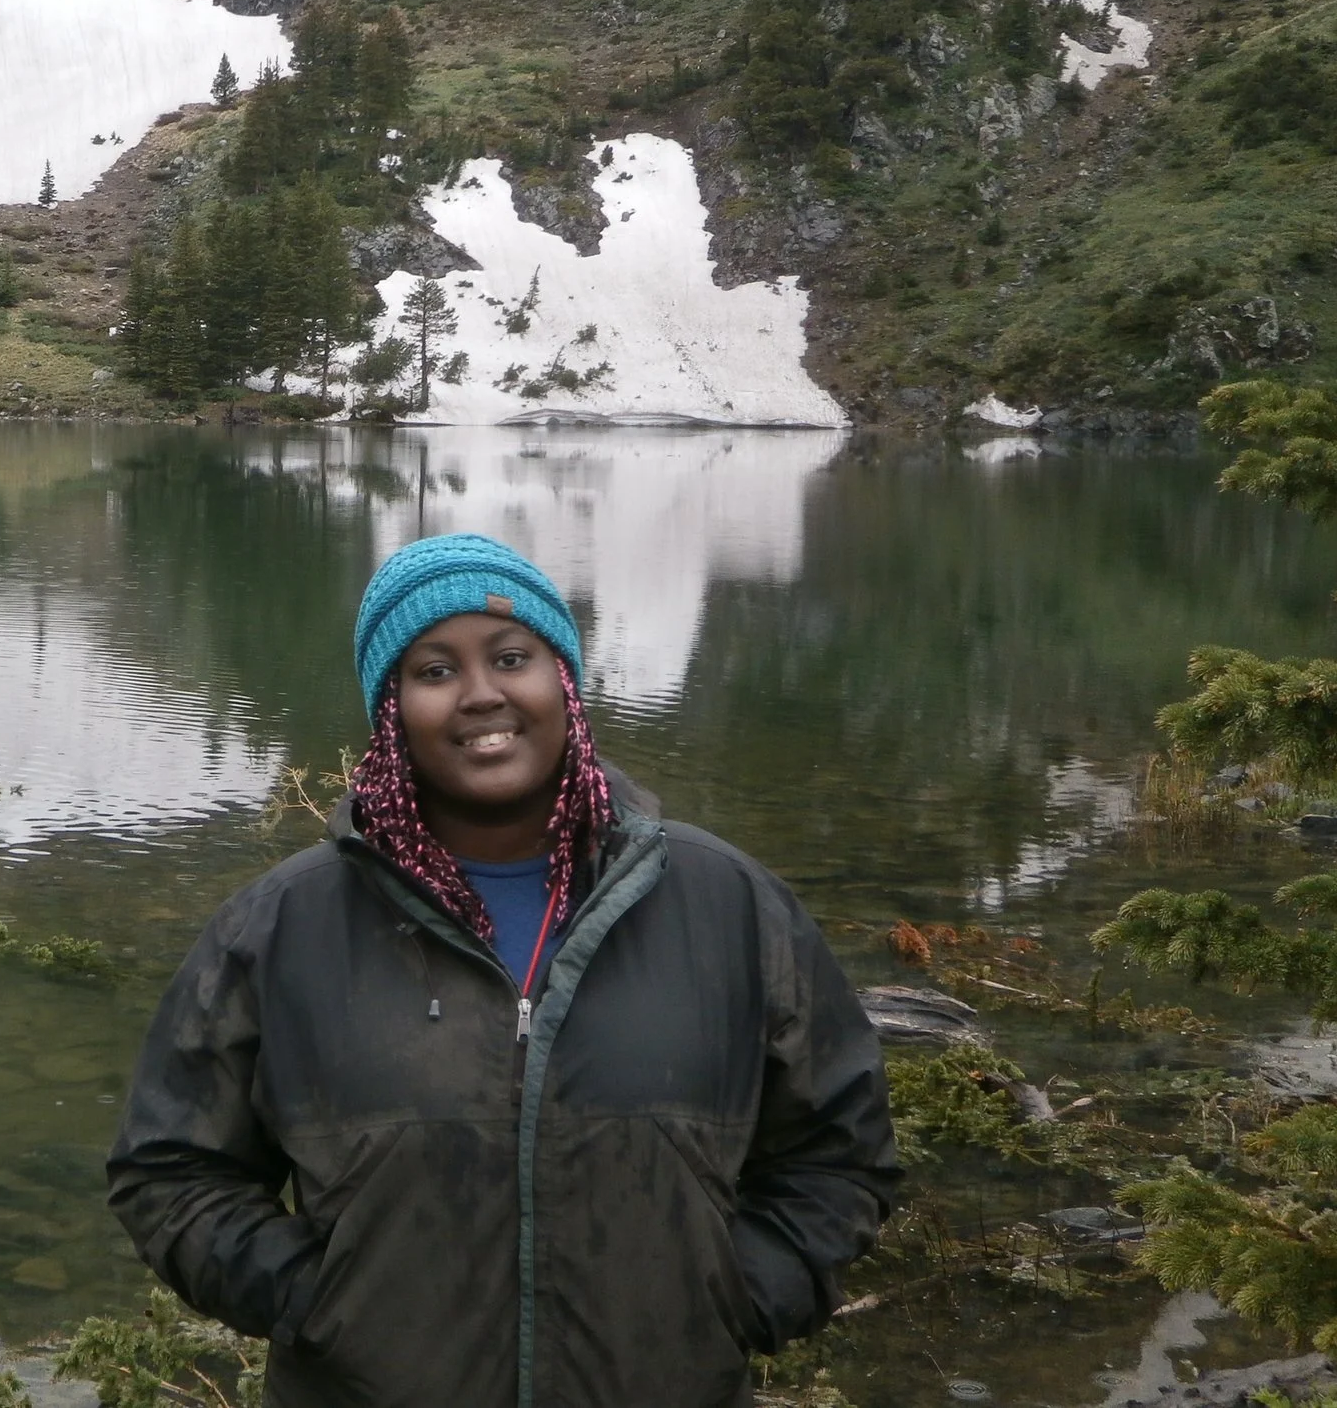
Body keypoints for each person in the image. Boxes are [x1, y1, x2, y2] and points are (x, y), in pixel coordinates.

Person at [107, 533, 897, 1406]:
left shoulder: (730, 904)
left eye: (512, 657)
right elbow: (171, 1171)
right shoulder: (281, 926)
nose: (482, 694)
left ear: (563, 679)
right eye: (434, 669)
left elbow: (840, 1152)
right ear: (391, 707)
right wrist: (314, 1301)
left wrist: (740, 1295)